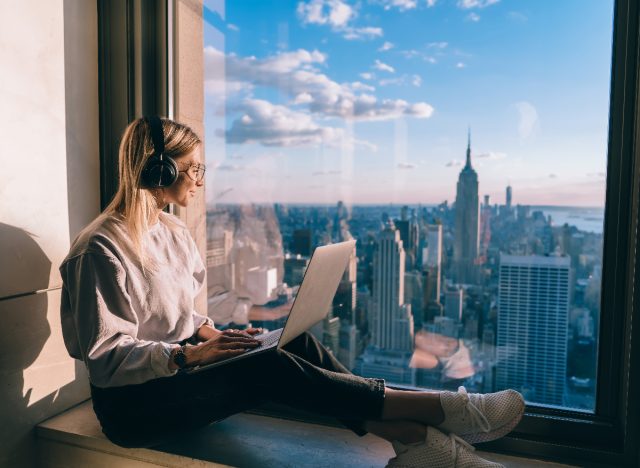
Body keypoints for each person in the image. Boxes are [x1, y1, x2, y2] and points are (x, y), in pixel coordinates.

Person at [60, 116, 525, 468]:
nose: (200, 180)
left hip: (180, 376)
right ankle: (447, 411)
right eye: (193, 168)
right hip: (137, 406)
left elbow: (183, 316)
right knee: (273, 366)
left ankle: (415, 441)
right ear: (159, 169)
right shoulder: (100, 249)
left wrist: (216, 337)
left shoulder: (173, 233)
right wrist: (190, 357)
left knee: (291, 342)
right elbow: (107, 358)